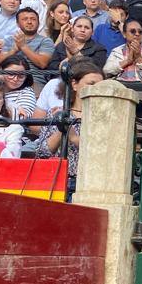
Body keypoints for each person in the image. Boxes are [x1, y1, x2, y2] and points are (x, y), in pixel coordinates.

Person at [35, 58, 104, 191]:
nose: (96, 89)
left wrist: (74, 138)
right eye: (91, 83)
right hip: (58, 180)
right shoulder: (56, 113)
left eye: (100, 86)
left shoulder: (103, 117)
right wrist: (62, 128)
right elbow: (42, 152)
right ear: (74, 84)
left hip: (90, 183)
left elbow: (102, 152)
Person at [104, 18, 142, 83]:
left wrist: (140, 59)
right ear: (124, 34)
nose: (137, 34)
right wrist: (127, 61)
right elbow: (106, 71)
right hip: (121, 86)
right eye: (133, 31)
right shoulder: (117, 51)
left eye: (140, 32)